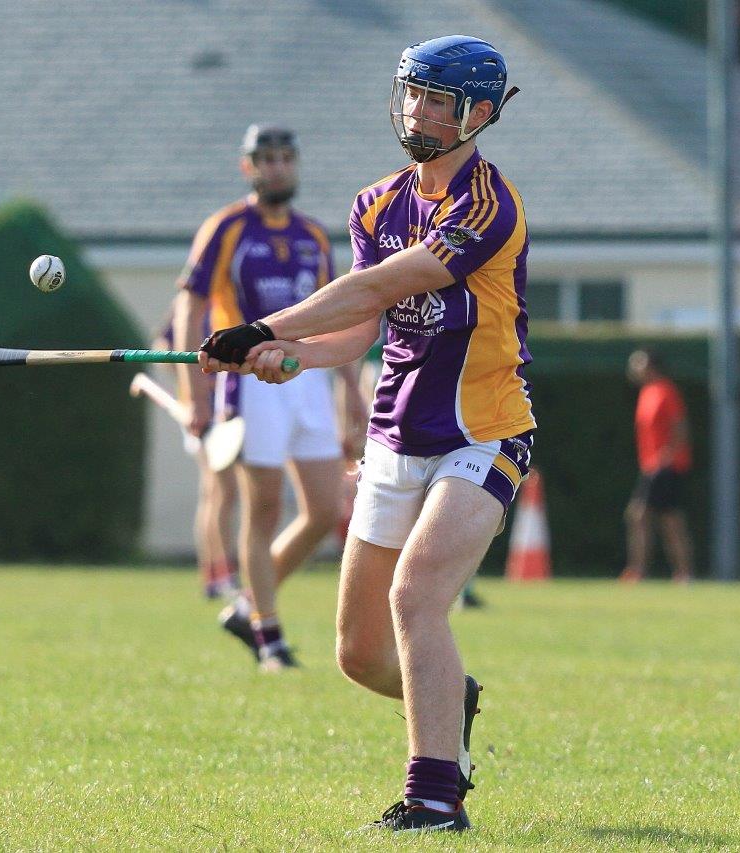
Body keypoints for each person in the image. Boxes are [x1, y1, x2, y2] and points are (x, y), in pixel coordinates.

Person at [200, 36, 528, 832]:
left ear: (477, 114)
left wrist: (263, 324)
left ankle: (435, 798)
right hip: (392, 439)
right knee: (358, 654)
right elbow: (359, 330)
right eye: (411, 93)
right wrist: (288, 355)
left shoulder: (487, 204)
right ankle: (454, 702)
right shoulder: (376, 203)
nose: (416, 110)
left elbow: (385, 282)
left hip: (481, 431)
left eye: (436, 100)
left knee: (417, 599)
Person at [175, 124, 367, 671]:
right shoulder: (227, 228)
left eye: (286, 158)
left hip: (307, 378)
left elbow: (341, 318)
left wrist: (351, 392)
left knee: (326, 509)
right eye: (266, 159)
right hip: (248, 383)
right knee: (262, 508)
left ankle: (245, 609)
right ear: (248, 168)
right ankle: (269, 637)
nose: (278, 167)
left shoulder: (312, 235)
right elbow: (190, 306)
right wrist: (198, 395)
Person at [150, 297, 239, 599]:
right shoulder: (193, 301)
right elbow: (162, 346)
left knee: (215, 492)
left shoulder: (229, 295)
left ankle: (215, 574)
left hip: (226, 406)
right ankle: (222, 574)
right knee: (222, 490)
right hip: (202, 412)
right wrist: (194, 388)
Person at [620, 348, 694, 584]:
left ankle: (640, 570)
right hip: (652, 465)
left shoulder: (665, 391)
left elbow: (680, 426)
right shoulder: (647, 392)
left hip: (665, 465)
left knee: (640, 515)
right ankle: (680, 573)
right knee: (667, 519)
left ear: (651, 366)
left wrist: (667, 457)